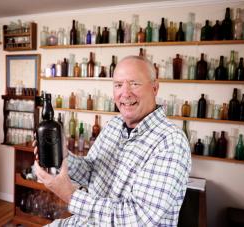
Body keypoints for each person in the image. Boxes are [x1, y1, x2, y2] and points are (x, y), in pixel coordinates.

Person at [34, 55, 191, 226]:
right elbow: (91, 171)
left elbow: (136, 219)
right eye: (118, 85)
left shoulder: (170, 142)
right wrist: (63, 156)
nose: (125, 93)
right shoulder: (114, 125)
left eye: (134, 84)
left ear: (155, 88)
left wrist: (70, 195)